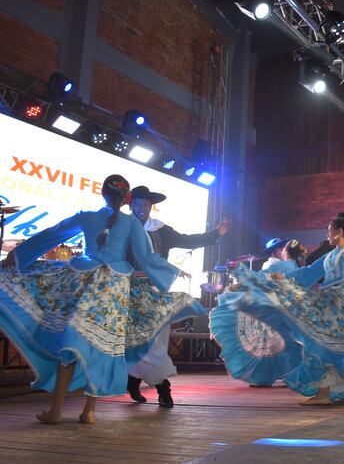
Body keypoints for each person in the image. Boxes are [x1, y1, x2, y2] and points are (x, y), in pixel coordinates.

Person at [0, 175, 202, 424]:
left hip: (85, 281)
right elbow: (146, 257)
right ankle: (89, 411)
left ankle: (56, 410)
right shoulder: (131, 223)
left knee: (70, 344)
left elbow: (52, 234)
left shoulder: (86, 215)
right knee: (104, 347)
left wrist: (19, 255)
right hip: (114, 289)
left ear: (103, 193)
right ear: (126, 198)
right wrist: (170, 272)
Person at [211, 215, 344, 405]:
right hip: (330, 307)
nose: (327, 234)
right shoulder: (329, 257)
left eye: (329, 230)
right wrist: (281, 278)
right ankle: (324, 393)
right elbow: (307, 273)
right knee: (318, 347)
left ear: (339, 232)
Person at [126, 185, 232, 408]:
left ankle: (156, 386)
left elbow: (187, 240)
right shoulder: (122, 227)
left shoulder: (160, 230)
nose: (143, 208)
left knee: (155, 340)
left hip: (155, 291)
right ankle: (138, 382)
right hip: (127, 291)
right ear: (130, 205)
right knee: (132, 340)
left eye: (147, 204)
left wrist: (216, 233)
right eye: (138, 204)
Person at [210, 240, 306, 387]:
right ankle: (293, 374)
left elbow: (260, 278)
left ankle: (263, 376)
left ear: (285, 251)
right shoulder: (293, 266)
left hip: (275, 308)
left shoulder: (279, 265)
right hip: (289, 310)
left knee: (267, 343)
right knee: (289, 343)